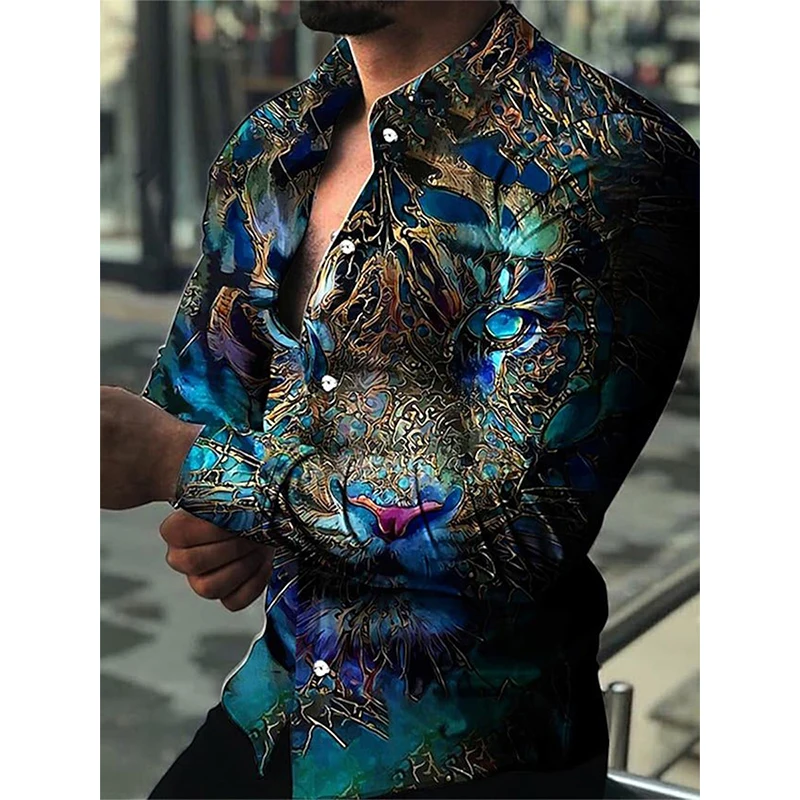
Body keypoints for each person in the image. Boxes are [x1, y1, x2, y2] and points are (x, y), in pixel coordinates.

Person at [100, 0, 700, 797]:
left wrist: (192, 468)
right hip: (281, 705)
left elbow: (514, 529)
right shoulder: (273, 142)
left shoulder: (601, 159)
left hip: (474, 748)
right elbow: (205, 403)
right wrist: (236, 510)